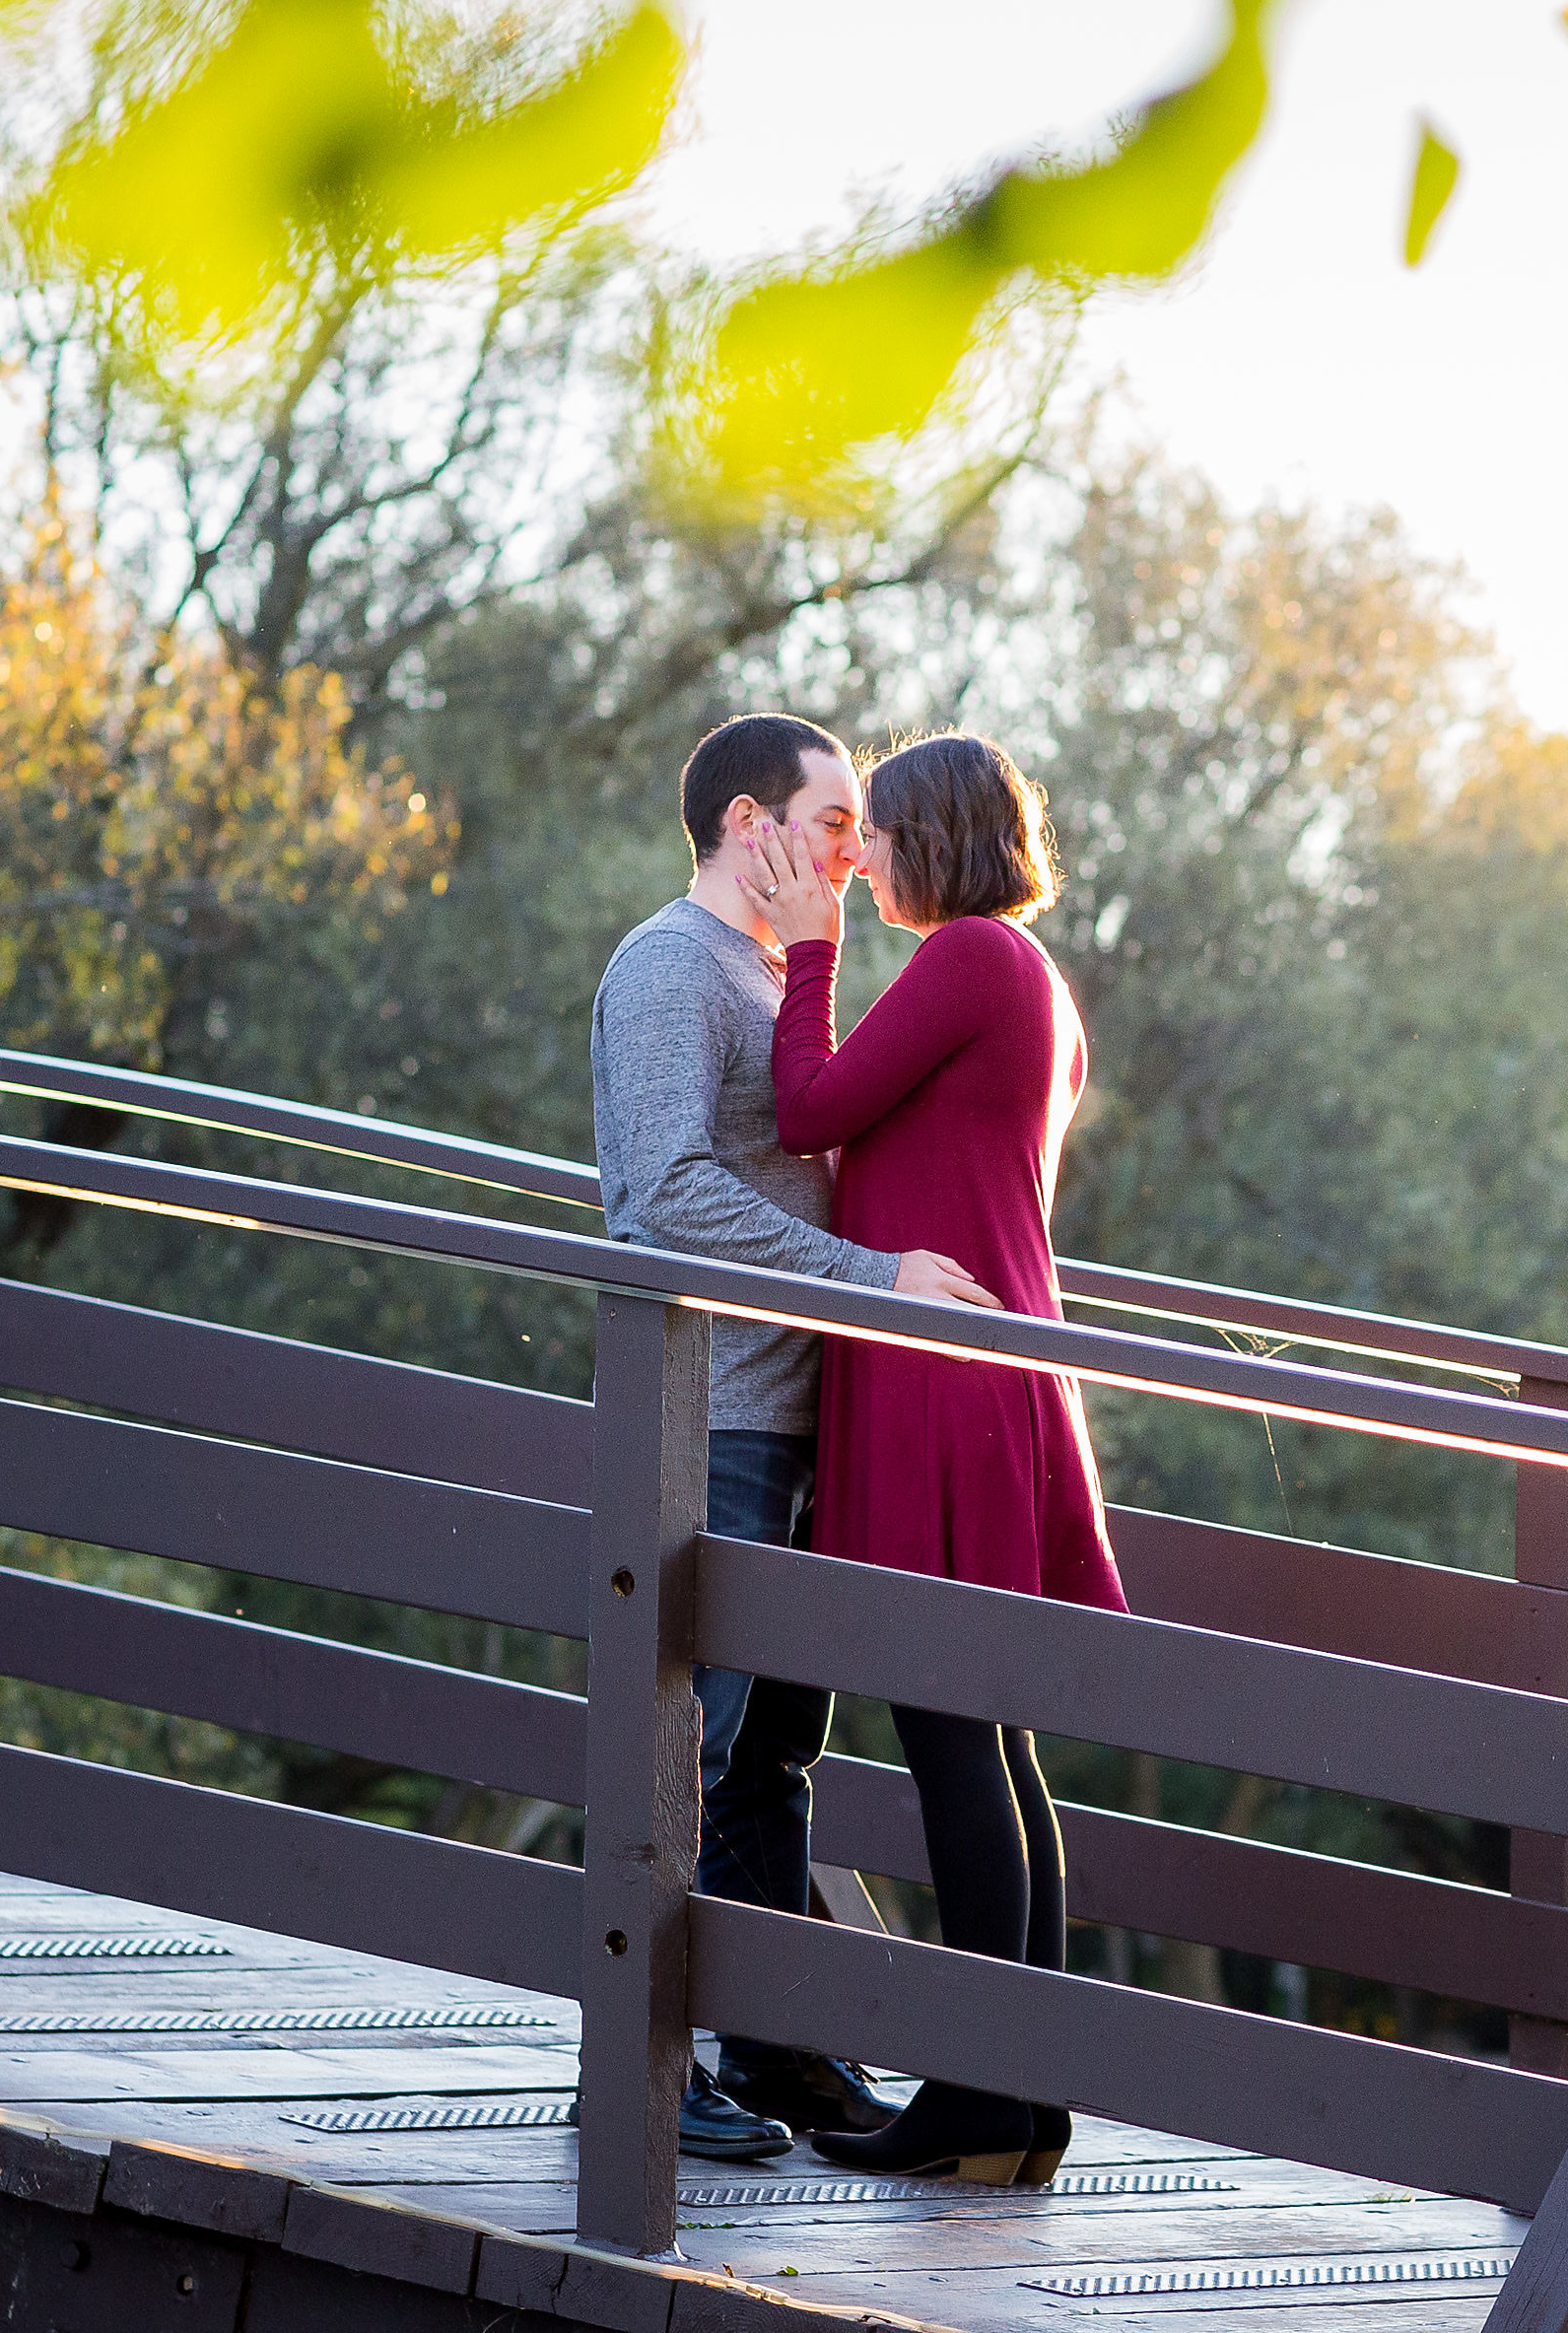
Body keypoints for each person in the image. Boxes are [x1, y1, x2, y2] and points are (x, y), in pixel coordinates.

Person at [589, 713, 1005, 2163]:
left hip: (806, 1409)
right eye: (834, 822)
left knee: (774, 1755)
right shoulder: (667, 967)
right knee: (684, 1749)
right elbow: (668, 1196)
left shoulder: (772, 974)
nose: (855, 850)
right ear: (751, 823)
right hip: (718, 1410)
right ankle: (630, 2066)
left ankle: (775, 2055)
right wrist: (872, 1279)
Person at [743, 729, 1121, 2185]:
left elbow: (811, 1111)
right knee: (994, 1738)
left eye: (879, 834)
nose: (861, 857)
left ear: (940, 839)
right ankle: (1021, 2103)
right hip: (989, 1368)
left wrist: (810, 951)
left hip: (944, 1379)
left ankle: (981, 2098)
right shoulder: (1030, 978)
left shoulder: (967, 961)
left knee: (954, 1729)